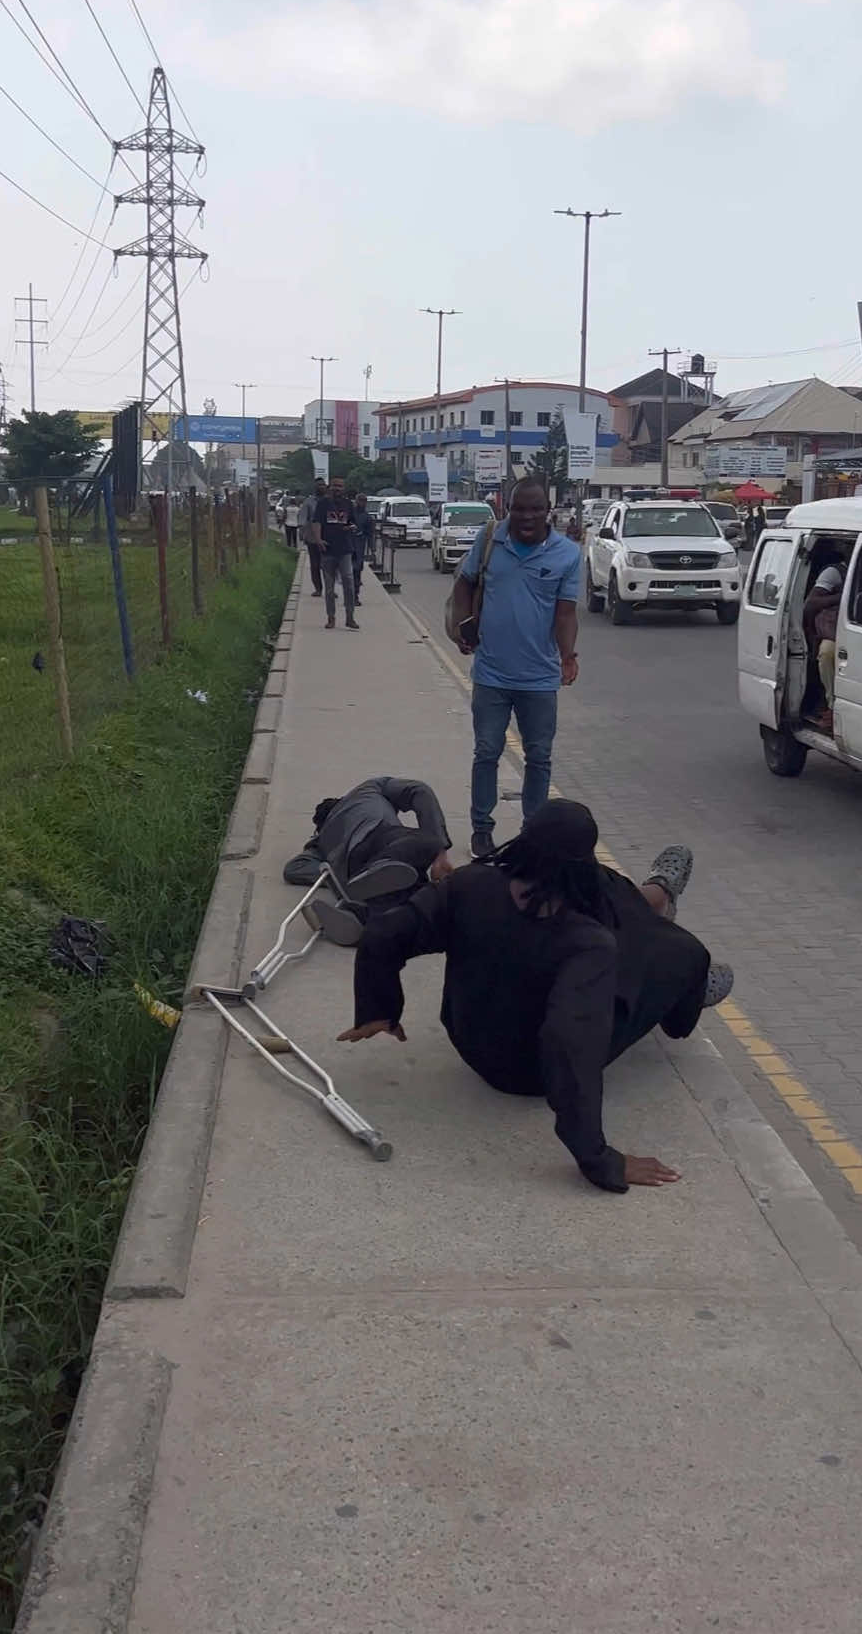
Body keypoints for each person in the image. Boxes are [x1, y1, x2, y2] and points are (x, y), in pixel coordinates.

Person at [338, 800, 732, 1193]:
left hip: (471, 1043)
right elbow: (568, 1043)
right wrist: (599, 1159)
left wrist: (380, 1008)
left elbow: (385, 933)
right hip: (530, 1075)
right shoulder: (585, 942)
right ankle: (685, 983)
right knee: (682, 956)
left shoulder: (467, 884)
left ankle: (657, 895)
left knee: (609, 894)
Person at [449, 476, 580, 858]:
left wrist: (568, 655)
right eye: (519, 508)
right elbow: (464, 583)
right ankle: (481, 830)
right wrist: (463, 625)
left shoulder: (567, 554)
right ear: (508, 508)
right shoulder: (491, 539)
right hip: (491, 674)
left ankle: (532, 832)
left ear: (547, 511)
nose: (526, 516)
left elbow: (566, 613)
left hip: (539, 680)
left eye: (535, 509)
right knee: (486, 752)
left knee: (538, 757)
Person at [300, 775, 455, 943]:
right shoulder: (367, 790)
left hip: (353, 869)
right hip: (382, 840)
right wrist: (439, 854)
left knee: (415, 897)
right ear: (341, 800)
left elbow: (295, 868)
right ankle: (382, 866)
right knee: (427, 842)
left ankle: (359, 918)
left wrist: (336, 879)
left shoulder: (320, 842)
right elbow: (420, 791)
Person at [803, 563, 845, 730]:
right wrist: (840, 597)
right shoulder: (834, 572)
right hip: (835, 633)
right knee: (827, 653)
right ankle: (832, 706)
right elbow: (811, 603)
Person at [315, 480, 359, 630]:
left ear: (343, 488)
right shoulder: (322, 504)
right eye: (334, 486)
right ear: (330, 488)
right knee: (329, 587)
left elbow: (353, 523)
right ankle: (331, 618)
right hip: (328, 549)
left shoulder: (348, 504)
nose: (337, 489)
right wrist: (318, 539)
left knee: (348, 582)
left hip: (345, 549)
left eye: (340, 486)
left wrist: (352, 527)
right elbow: (316, 523)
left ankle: (350, 617)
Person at [350, 492, 375, 605]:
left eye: (364, 501)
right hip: (347, 546)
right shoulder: (349, 513)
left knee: (357, 572)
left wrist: (373, 549)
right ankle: (349, 595)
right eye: (360, 500)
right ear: (356, 501)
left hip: (359, 548)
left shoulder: (367, 517)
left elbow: (370, 535)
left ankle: (355, 596)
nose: (362, 503)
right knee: (347, 572)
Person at [302, 478, 326, 596]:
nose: (321, 487)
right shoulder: (309, 502)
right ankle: (318, 589)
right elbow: (303, 520)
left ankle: (330, 589)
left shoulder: (329, 501)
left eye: (323, 485)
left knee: (328, 565)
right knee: (315, 565)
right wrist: (303, 535)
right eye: (318, 485)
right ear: (315, 487)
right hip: (312, 539)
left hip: (328, 538)